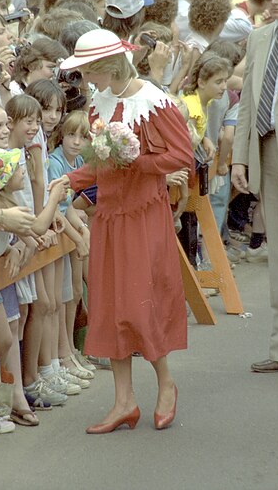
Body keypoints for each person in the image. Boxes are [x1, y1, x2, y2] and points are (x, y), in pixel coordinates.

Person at [50, 29, 193, 433]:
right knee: (110, 304)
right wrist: (71, 180)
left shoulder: (152, 101)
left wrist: (136, 161)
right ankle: (123, 402)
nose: (86, 81)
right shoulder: (100, 104)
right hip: (110, 214)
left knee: (139, 300)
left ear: (108, 66)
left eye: (89, 71)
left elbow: (181, 156)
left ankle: (165, 383)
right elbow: (100, 165)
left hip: (143, 213)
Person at [231, 0, 278, 373]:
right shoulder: (260, 37)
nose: (273, 4)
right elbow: (249, 102)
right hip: (267, 153)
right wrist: (239, 158)